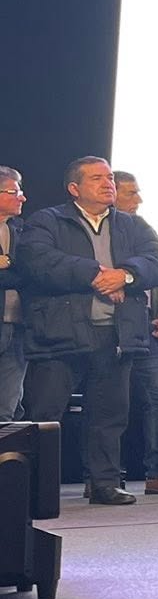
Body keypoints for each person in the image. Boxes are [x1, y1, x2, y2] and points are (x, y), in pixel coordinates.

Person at [16, 155, 158, 504]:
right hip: (59, 334)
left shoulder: (133, 225)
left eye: (110, 177)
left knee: (109, 415)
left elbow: (155, 264)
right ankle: (34, 488)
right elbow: (37, 261)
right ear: (75, 188)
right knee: (45, 415)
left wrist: (125, 275)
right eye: (97, 178)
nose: (107, 184)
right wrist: (96, 275)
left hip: (116, 334)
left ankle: (103, 484)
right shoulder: (47, 220)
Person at [113, 170, 158, 493]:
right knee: (110, 403)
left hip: (146, 327)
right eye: (130, 193)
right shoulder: (99, 231)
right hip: (109, 325)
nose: (138, 199)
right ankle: (104, 476)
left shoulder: (143, 229)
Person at [0, 166, 24, 423]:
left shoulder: (23, 230)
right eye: (14, 192)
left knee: (7, 408)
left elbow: (31, 271)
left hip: (18, 328)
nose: (22, 197)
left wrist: (7, 262)